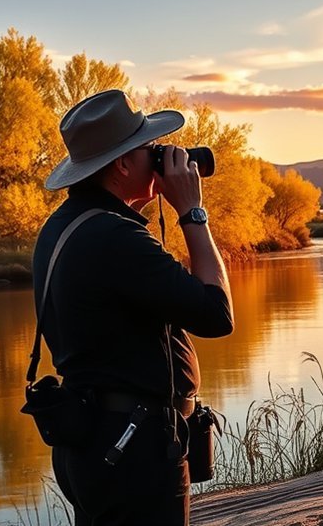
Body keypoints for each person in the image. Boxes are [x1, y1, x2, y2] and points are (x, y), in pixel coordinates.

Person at [32, 89, 234, 525]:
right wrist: (192, 213)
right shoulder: (115, 237)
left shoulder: (63, 226)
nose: (162, 157)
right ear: (122, 164)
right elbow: (217, 315)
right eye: (150, 151)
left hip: (94, 443)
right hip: (133, 453)